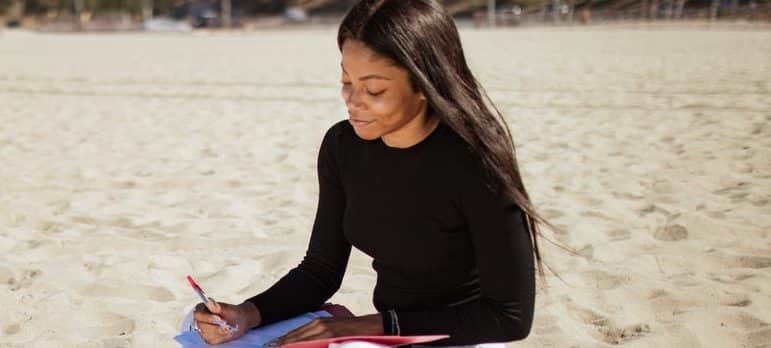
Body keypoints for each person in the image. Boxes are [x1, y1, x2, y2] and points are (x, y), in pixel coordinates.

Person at [193, 0, 553, 346]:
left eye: (374, 89)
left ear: (425, 84)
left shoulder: (475, 163)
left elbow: (509, 316)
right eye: (346, 81)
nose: (352, 99)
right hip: (382, 335)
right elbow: (321, 270)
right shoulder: (342, 146)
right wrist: (246, 314)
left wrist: (369, 326)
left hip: (462, 337)